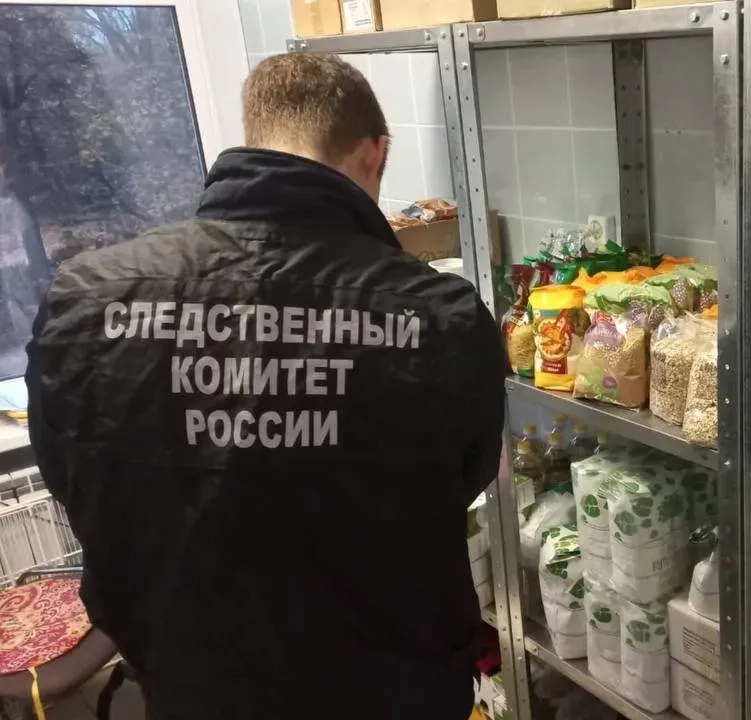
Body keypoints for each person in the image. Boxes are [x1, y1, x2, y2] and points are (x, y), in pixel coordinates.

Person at [25, 53, 505, 720]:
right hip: (392, 683)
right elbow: (467, 476)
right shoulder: (439, 316)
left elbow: (73, 477)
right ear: (375, 154)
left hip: (194, 685)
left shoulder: (87, 299)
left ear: (254, 137)